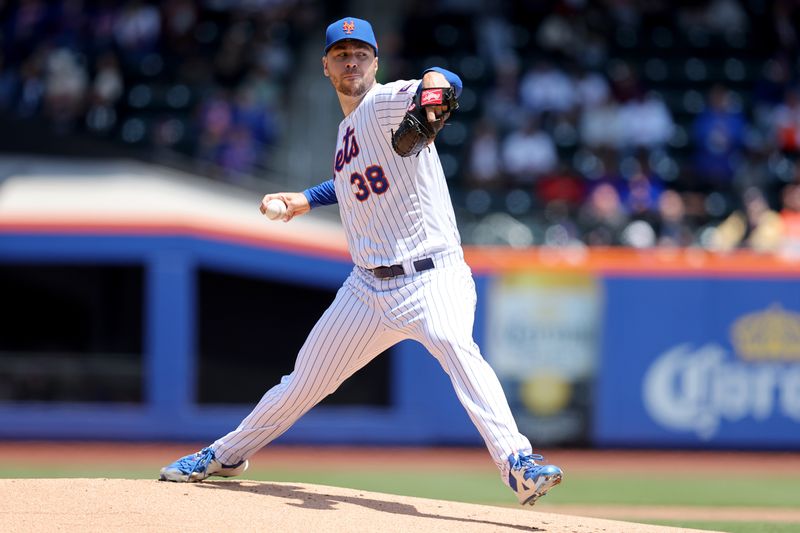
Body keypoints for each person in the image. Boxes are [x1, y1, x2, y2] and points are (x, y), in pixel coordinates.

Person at [159, 16, 563, 506]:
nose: (351, 61)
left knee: (455, 345)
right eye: (341, 54)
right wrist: (306, 199)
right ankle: (226, 454)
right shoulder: (347, 132)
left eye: (360, 53)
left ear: (376, 61)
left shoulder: (387, 101)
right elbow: (355, 181)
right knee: (303, 382)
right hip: (366, 289)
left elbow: (444, 81)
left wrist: (433, 100)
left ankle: (517, 463)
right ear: (325, 66)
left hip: (431, 276)